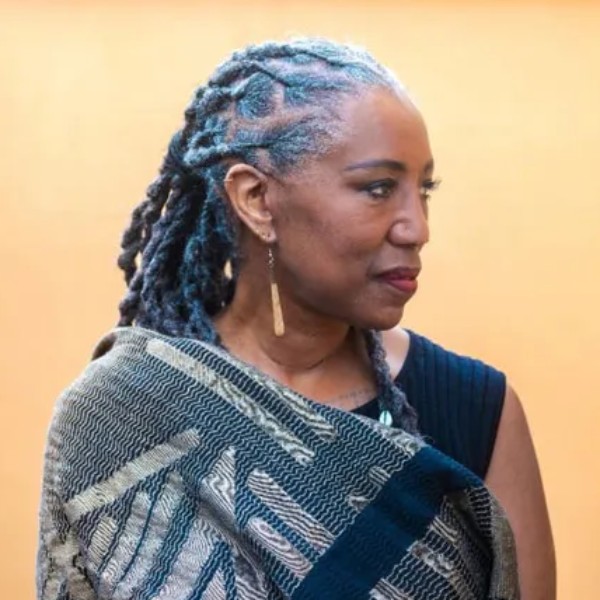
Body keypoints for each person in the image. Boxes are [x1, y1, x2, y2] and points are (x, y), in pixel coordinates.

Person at [37, 38, 554, 599]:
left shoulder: (476, 408)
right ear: (257, 198)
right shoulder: (122, 414)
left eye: (423, 189)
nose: (417, 227)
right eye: (379, 188)